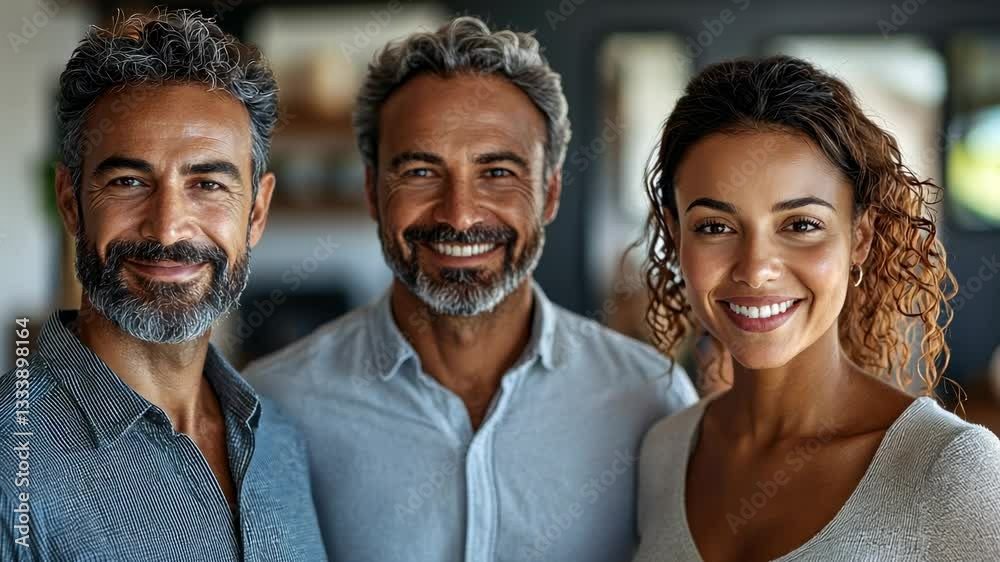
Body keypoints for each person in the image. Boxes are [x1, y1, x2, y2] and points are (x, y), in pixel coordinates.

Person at [245, 16, 697, 562]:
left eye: (498, 173)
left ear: (549, 194)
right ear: (371, 191)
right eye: (419, 172)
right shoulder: (274, 408)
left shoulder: (653, 401)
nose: (459, 216)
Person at [633, 55, 1000, 562]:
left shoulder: (949, 470)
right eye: (715, 227)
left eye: (801, 224)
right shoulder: (663, 452)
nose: (756, 268)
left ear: (861, 239)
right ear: (676, 239)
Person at [0, 11, 326, 561]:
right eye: (129, 182)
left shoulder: (283, 441)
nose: (168, 227)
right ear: (70, 202)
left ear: (257, 211)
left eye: (208, 183)